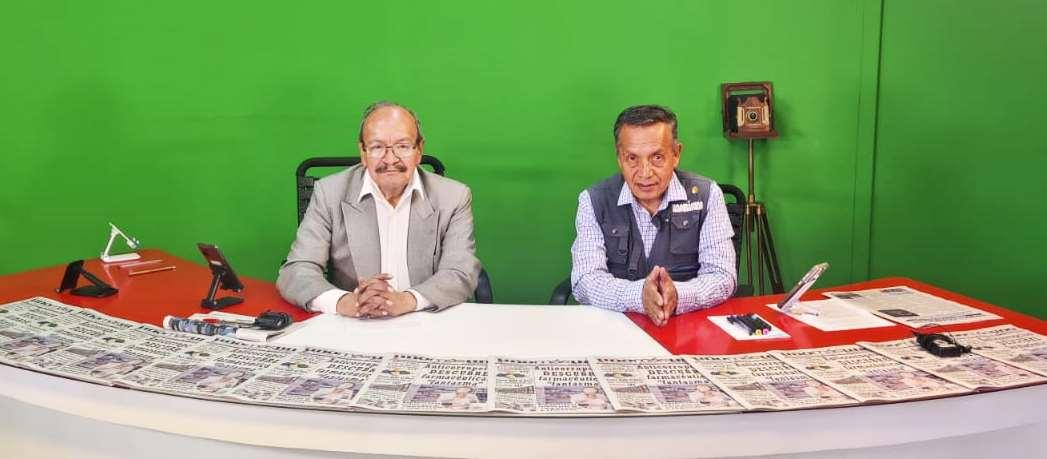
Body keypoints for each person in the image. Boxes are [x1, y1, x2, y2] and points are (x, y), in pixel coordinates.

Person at [277, 101, 481, 318]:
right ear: (363, 152)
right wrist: (346, 302)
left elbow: (460, 272)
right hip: (355, 323)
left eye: (403, 146)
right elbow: (296, 271)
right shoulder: (329, 193)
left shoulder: (453, 197)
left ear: (419, 150)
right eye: (377, 147)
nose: (390, 159)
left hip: (427, 318)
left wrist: (406, 300)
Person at [571, 105, 737, 326]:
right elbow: (584, 281)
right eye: (632, 158)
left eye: (657, 157)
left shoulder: (708, 195)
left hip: (687, 327)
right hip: (615, 328)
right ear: (619, 158)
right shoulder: (593, 201)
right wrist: (639, 296)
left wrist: (678, 295)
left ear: (676, 154)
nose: (645, 173)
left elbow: (722, 276)